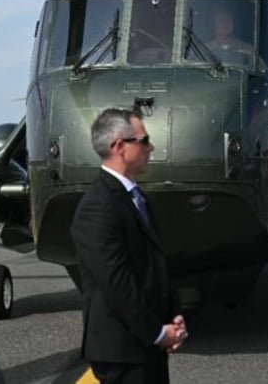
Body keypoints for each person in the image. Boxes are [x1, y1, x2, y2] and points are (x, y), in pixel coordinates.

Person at [71, 107, 187, 382]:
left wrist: (172, 318)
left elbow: (154, 266)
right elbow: (118, 284)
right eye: (144, 140)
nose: (151, 147)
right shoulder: (98, 207)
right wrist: (157, 333)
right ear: (120, 147)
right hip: (122, 350)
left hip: (145, 344)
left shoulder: (136, 198)